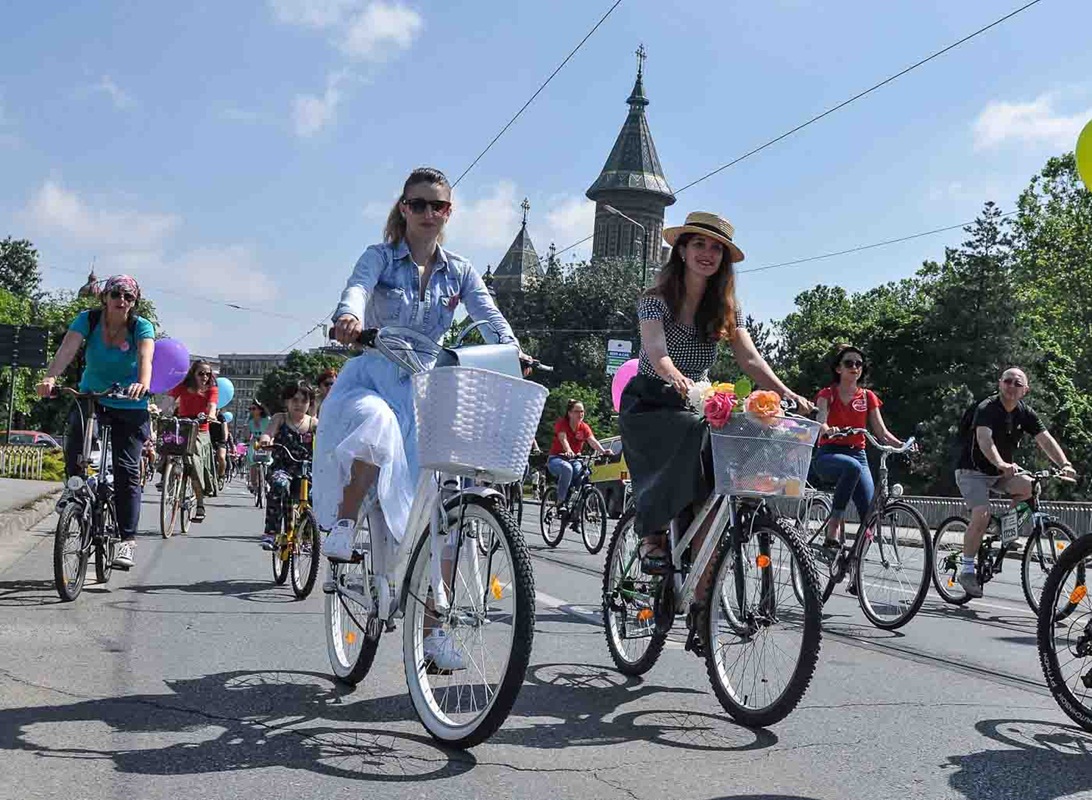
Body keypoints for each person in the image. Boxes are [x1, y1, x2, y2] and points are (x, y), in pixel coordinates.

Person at [315, 166, 521, 671]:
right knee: (375, 425)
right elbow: (357, 290)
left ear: (448, 213)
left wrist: (516, 350)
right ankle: (345, 521)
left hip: (429, 391)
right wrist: (349, 318)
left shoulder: (461, 271)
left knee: (445, 512)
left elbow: (491, 319)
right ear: (403, 209)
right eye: (420, 204)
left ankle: (433, 632)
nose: (430, 213)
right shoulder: (380, 258)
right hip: (375, 377)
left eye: (440, 206)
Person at [619, 211, 811, 584]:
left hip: (699, 401)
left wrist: (785, 391)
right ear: (682, 250)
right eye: (699, 244)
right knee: (691, 433)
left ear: (723, 260)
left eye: (716, 249)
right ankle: (653, 535)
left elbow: (749, 358)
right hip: (652, 400)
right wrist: (680, 380)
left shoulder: (727, 307)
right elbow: (657, 353)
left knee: (743, 441)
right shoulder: (655, 299)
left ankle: (703, 588)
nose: (707, 253)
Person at [36, 274, 154, 569]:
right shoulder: (87, 320)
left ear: (134, 302)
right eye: (116, 294)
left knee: (127, 469)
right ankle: (74, 488)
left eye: (128, 297)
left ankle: (127, 540)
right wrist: (51, 377)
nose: (121, 301)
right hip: (93, 397)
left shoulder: (140, 326)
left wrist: (142, 383)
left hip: (129, 403)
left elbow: (145, 357)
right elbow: (67, 349)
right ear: (105, 297)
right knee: (77, 436)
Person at [954, 367, 1076, 598]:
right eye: (1007, 381)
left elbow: (1045, 440)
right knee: (981, 513)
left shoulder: (1025, 413)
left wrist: (1065, 464)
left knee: (1029, 486)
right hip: (973, 470)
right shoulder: (987, 408)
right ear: (1000, 383)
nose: (1011, 386)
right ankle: (967, 570)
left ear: (1025, 390)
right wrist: (1000, 463)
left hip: (1002, 471)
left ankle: (1006, 532)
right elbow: (984, 440)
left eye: (1017, 384)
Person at [813, 345, 906, 550]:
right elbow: (821, 421)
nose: (855, 367)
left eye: (859, 364)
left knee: (869, 513)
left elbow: (881, 432)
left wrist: (903, 445)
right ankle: (833, 526)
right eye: (849, 363)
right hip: (829, 454)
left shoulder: (867, 396)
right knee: (851, 467)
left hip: (858, 455)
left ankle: (855, 567)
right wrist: (828, 430)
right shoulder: (827, 394)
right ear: (838, 369)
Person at [258, 381, 317, 550]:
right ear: (286, 401)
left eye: (303, 401)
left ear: (310, 403)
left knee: (315, 495)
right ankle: (271, 533)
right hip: (282, 469)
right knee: (279, 485)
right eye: (294, 400)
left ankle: (307, 537)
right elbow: (268, 433)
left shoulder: (313, 423)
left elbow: (329, 440)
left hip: (306, 472)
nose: (298, 404)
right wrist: (265, 440)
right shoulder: (280, 418)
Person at [168, 360, 219, 523]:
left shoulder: (212, 389)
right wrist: (157, 410)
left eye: (208, 374)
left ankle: (200, 504)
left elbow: (212, 406)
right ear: (193, 374)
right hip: (183, 426)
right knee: (167, 443)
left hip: (201, 430)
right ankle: (168, 476)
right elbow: (168, 401)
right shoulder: (182, 386)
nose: (205, 377)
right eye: (201, 373)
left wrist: (211, 415)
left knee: (195, 461)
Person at [547, 400, 608, 510]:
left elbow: (592, 441)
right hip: (557, 458)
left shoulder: (584, 427)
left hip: (574, 460)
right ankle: (560, 501)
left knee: (583, 473)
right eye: (577, 411)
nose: (581, 414)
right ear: (570, 413)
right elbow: (563, 439)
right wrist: (569, 450)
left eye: (582, 411)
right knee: (567, 469)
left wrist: (603, 451)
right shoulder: (562, 423)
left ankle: (577, 512)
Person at [246, 401, 270, 494]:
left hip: (266, 441)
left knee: (268, 461)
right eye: (250, 409)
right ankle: (254, 484)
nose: (251, 411)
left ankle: (266, 481)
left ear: (260, 410)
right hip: (255, 442)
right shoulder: (250, 422)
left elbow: (272, 432)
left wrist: (270, 441)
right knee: (253, 460)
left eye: (253, 409)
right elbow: (247, 437)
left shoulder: (267, 420)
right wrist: (246, 428)